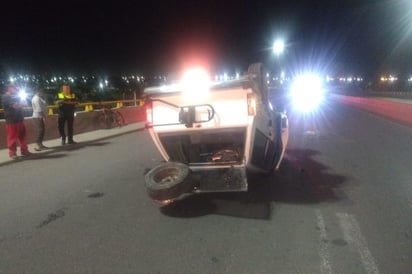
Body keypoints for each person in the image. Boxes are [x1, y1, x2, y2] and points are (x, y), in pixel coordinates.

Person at [1, 85, 31, 159]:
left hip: (20, 119)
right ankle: (12, 153)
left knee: (23, 136)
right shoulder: (6, 97)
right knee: (12, 137)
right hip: (12, 120)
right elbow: (15, 106)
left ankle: (24, 150)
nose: (16, 90)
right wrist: (22, 103)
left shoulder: (15, 96)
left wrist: (22, 102)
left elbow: (24, 104)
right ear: (10, 88)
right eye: (15, 88)